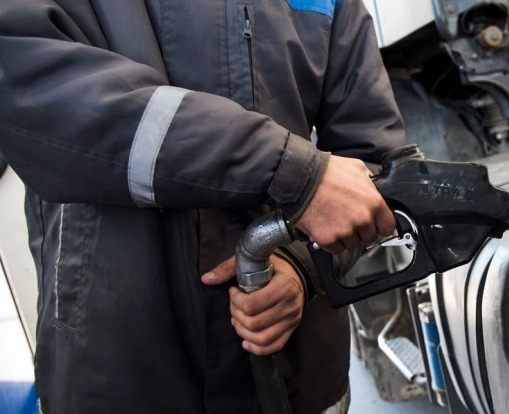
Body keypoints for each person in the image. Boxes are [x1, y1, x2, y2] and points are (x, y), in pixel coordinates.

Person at [0, 0, 406, 413]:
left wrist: (303, 266)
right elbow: (33, 90)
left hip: (297, 376)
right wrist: (290, 171)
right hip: (121, 372)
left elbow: (375, 166)